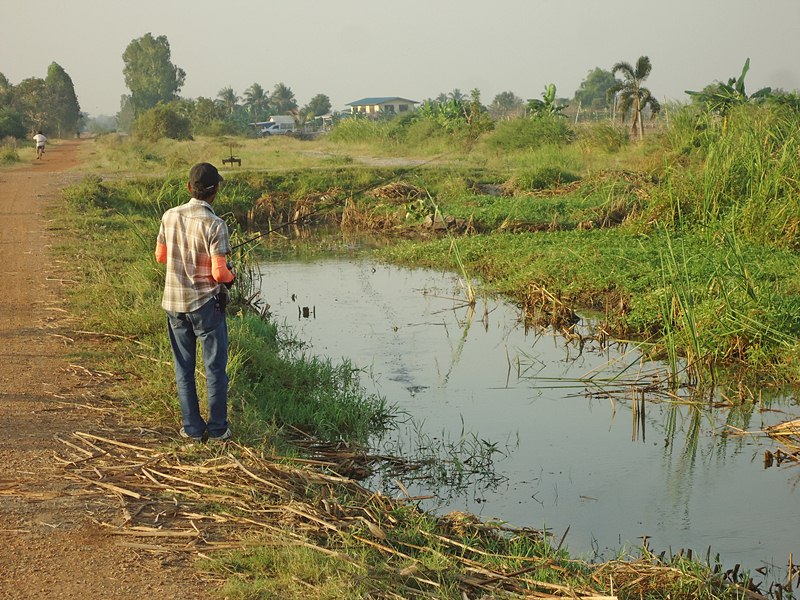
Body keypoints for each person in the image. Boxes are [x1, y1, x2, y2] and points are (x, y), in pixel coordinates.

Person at [155, 162, 236, 442]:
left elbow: (161, 257)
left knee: (183, 368)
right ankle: (217, 430)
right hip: (205, 305)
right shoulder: (216, 224)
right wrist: (231, 277)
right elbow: (219, 273)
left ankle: (191, 429)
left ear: (189, 187)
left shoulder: (169, 216)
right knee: (214, 368)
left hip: (174, 303)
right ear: (215, 193)